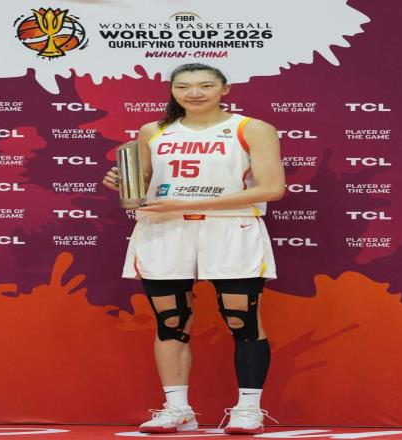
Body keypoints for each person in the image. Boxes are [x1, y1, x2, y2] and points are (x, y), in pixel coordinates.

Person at [102, 63, 285, 434]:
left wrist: (190, 203)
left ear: (224, 89)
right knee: (170, 322)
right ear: (172, 90)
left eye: (205, 85)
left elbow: (271, 188)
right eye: (183, 86)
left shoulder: (252, 128)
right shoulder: (153, 130)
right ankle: (178, 409)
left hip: (230, 229)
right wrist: (122, 183)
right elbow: (143, 185)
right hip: (165, 229)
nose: (194, 93)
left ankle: (248, 409)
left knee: (241, 319)